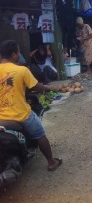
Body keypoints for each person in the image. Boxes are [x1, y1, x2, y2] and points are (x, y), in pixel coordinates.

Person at [0, 40, 62, 171]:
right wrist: (49, 87)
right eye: (18, 52)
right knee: (40, 134)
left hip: (1, 117)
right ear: (13, 54)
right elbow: (36, 86)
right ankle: (51, 162)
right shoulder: (21, 70)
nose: (20, 55)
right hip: (20, 114)